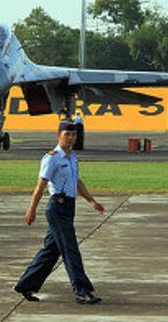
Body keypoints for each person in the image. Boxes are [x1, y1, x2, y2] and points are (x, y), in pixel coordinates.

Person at [14, 121, 105, 304]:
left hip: (69, 207)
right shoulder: (52, 158)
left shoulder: (72, 157)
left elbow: (78, 182)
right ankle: (82, 291)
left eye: (73, 135)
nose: (71, 138)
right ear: (58, 136)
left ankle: (26, 285)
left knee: (50, 251)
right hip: (57, 207)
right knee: (70, 250)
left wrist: (92, 201)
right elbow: (40, 186)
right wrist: (32, 209)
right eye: (67, 135)